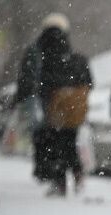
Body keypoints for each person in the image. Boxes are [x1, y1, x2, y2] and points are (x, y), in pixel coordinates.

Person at [14, 13, 71, 182]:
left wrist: (22, 95)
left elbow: (26, 74)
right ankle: (57, 171)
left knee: (39, 134)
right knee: (57, 136)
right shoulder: (65, 48)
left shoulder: (37, 47)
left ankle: (42, 168)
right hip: (57, 98)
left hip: (39, 97)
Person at [38, 27, 92, 197]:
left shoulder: (50, 62)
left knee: (57, 146)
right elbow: (89, 82)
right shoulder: (78, 60)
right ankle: (77, 175)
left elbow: (44, 87)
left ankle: (60, 182)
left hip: (57, 111)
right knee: (70, 143)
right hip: (74, 111)